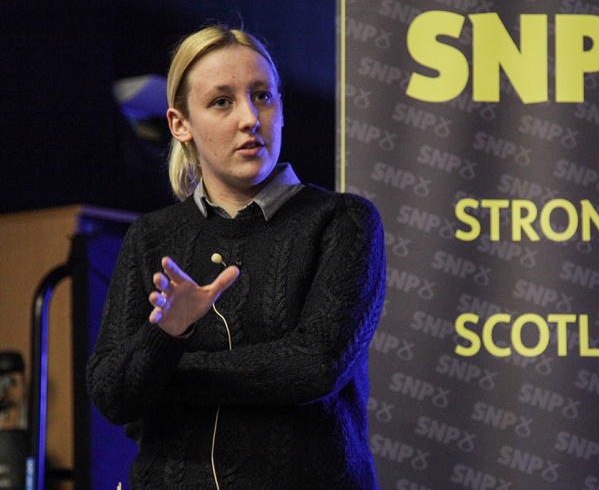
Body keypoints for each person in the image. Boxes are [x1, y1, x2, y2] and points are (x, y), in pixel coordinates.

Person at [86, 24, 385, 489]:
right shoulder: (151, 237)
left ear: (281, 109)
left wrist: (166, 369)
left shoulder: (343, 221)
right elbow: (111, 393)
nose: (250, 117)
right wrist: (168, 331)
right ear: (179, 124)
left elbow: (314, 366)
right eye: (222, 101)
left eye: (263, 96)